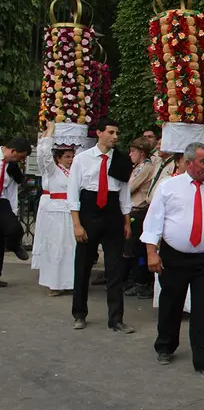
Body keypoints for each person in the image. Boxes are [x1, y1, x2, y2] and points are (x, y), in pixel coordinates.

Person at [141, 142, 204, 377]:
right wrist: (151, 252)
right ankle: (165, 346)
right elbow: (154, 220)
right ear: (188, 163)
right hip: (174, 257)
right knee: (171, 303)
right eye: (203, 162)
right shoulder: (169, 187)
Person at [67, 117, 134, 333]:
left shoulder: (121, 160)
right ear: (99, 133)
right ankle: (79, 312)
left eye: (116, 133)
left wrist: (126, 220)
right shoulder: (83, 159)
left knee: (115, 267)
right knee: (84, 264)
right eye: (111, 132)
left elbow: (124, 192)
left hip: (113, 211)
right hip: (89, 209)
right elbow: (73, 193)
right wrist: (77, 224)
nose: (115, 137)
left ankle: (116, 319)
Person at [32, 124, 75, 295]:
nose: (70, 159)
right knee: (56, 246)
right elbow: (43, 155)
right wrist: (49, 133)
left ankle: (69, 281)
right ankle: (54, 283)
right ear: (58, 158)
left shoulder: (71, 171)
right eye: (67, 156)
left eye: (72, 156)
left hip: (70, 212)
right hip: (56, 212)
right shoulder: (52, 170)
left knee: (70, 246)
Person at [124, 138, 154, 299]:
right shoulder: (139, 167)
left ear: (141, 153)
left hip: (139, 210)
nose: (130, 154)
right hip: (132, 209)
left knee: (137, 249)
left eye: (133, 151)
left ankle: (141, 282)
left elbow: (130, 187)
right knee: (131, 248)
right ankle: (134, 279)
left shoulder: (146, 167)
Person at [0, 137, 31, 284]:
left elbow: (12, 189)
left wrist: (14, 210)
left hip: (2, 201)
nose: (19, 160)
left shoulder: (11, 166)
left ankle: (14, 246)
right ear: (12, 151)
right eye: (19, 157)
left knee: (14, 229)